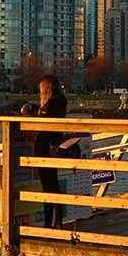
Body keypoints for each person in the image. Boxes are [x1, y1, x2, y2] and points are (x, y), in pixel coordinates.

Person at [30, 75, 71, 228]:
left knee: (48, 186)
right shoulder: (60, 102)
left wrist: (33, 114)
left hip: (44, 147)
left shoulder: (51, 104)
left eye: (41, 88)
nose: (39, 92)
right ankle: (58, 221)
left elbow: (41, 123)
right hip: (53, 145)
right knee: (53, 184)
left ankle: (49, 222)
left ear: (47, 88)